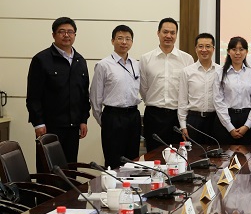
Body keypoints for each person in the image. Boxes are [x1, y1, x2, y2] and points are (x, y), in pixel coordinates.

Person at [26, 17, 90, 163]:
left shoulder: (80, 61)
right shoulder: (41, 59)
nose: (66, 35)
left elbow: (83, 94)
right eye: (61, 31)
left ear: (75, 35)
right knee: (48, 168)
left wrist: (83, 120)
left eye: (70, 32)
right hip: (49, 127)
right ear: (53, 35)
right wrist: (38, 123)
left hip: (73, 128)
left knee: (70, 168)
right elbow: (33, 96)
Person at [90, 25, 141, 169]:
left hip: (133, 116)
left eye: (128, 39)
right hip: (113, 117)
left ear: (132, 42)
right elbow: (95, 97)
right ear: (112, 41)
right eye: (120, 38)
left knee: (132, 160)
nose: (124, 42)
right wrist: (105, 120)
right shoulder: (103, 65)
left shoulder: (136, 64)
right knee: (113, 160)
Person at [140, 17, 194, 151]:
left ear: (176, 35)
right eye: (165, 32)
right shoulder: (146, 59)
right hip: (153, 116)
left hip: (177, 117)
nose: (168, 36)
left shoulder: (186, 59)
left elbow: (189, 90)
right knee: (153, 154)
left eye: (172, 33)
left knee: (178, 155)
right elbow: (143, 88)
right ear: (158, 33)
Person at [213, 37, 251, 145]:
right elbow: (218, 101)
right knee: (225, 154)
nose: (238, 53)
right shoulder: (220, 73)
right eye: (234, 49)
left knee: (248, 154)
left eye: (241, 49)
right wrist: (229, 127)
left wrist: (247, 126)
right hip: (225, 120)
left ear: (246, 52)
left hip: (248, 120)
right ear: (228, 51)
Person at [178, 33, 222, 145]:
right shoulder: (187, 71)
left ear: (213, 49)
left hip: (215, 120)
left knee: (215, 153)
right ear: (196, 49)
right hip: (194, 120)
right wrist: (183, 125)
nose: (204, 50)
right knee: (194, 153)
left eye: (208, 46)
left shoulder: (220, 71)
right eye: (200, 46)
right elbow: (182, 100)